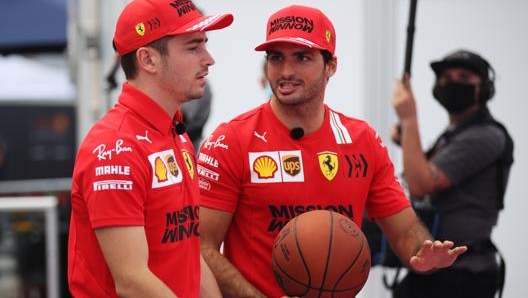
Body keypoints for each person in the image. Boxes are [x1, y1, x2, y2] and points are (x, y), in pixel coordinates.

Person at [197, 5, 467, 298]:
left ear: (331, 66)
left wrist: (422, 252)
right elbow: (201, 246)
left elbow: (404, 230)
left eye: (302, 58)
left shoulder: (362, 140)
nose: (286, 71)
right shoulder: (231, 139)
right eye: (276, 58)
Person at [67, 0, 233, 297]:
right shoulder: (114, 148)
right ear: (148, 60)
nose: (209, 59)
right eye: (194, 47)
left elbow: (188, 252)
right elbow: (132, 282)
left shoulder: (176, 134)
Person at [390, 49, 514, 298]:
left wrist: (410, 120)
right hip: (437, 270)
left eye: (464, 77)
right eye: (445, 77)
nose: (451, 82)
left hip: (462, 277)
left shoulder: (486, 136)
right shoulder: (453, 135)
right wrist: (408, 142)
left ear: (485, 88)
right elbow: (423, 175)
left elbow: (420, 185)